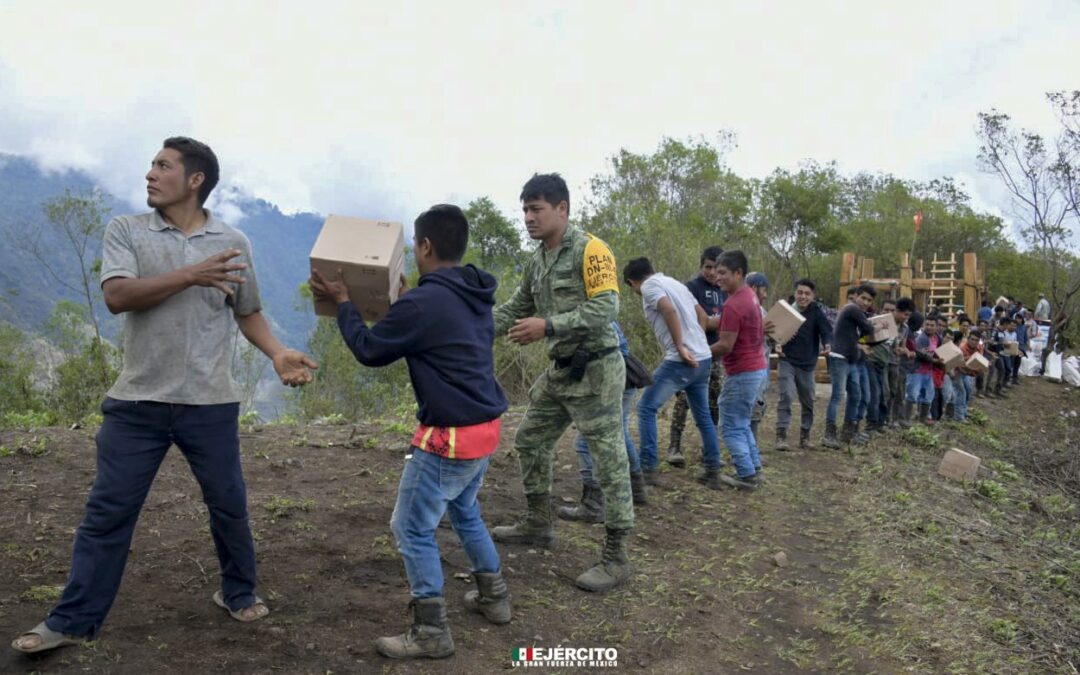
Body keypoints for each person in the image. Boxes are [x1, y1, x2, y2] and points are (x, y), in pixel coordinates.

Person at [12, 137, 319, 654]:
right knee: (108, 511)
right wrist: (192, 274)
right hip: (137, 402)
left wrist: (277, 353)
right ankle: (72, 620)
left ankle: (238, 591)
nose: (150, 174)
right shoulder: (127, 230)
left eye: (163, 166)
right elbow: (117, 296)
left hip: (210, 401)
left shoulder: (233, 241)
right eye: (152, 165)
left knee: (229, 505)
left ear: (195, 180)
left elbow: (246, 311)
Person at [310, 204, 510, 660]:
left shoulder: (424, 303)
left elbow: (369, 349)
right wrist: (404, 303)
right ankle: (494, 597)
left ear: (425, 246)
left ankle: (431, 631)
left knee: (411, 527)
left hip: (449, 438)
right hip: (485, 429)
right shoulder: (472, 293)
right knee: (465, 511)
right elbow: (434, 327)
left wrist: (344, 304)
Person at [491, 173, 633, 593]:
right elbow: (514, 309)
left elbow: (606, 307)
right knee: (530, 439)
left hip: (597, 371)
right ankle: (538, 523)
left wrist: (548, 326)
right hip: (560, 371)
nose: (528, 217)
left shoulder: (591, 250)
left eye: (536, 209)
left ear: (562, 208)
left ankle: (616, 557)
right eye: (524, 210)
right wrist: (465, 326)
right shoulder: (537, 260)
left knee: (609, 460)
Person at [623, 258, 723, 488]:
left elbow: (668, 309)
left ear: (632, 282)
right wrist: (696, 341)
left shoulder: (648, 286)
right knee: (703, 415)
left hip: (682, 360)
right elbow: (702, 316)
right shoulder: (676, 283)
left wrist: (680, 345)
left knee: (646, 407)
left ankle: (647, 468)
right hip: (703, 357)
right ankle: (713, 471)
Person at [559, 321, 647, 523]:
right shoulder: (601, 313)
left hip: (613, 378)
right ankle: (637, 488)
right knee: (621, 432)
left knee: (585, 442)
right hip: (625, 376)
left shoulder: (585, 317)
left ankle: (593, 506)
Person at [705, 250, 768, 490]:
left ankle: (746, 475)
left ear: (739, 273)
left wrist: (700, 353)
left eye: (723, 273)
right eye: (716, 272)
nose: (717, 277)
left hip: (742, 372)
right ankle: (754, 469)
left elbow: (725, 345)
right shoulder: (750, 296)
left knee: (730, 424)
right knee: (741, 422)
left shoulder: (733, 304)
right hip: (756, 369)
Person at [666, 247, 726, 468]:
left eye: (716, 268)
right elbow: (687, 319)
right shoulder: (691, 288)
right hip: (692, 354)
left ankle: (708, 448)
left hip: (715, 354)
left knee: (714, 401)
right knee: (683, 400)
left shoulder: (724, 290)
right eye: (707, 267)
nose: (712, 272)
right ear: (701, 266)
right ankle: (674, 446)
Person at [774, 278, 832, 450]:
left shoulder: (816, 312)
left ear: (813, 296)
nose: (803, 297)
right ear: (795, 293)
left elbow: (826, 331)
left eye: (807, 294)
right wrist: (776, 343)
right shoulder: (786, 311)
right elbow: (773, 332)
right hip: (787, 360)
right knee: (786, 396)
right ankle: (781, 436)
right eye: (800, 293)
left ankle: (805, 437)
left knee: (808, 401)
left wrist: (827, 344)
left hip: (807, 364)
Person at [823, 284, 876, 449]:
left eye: (869, 300)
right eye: (863, 298)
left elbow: (861, 335)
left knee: (856, 396)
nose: (866, 302)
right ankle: (829, 434)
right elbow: (869, 328)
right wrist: (879, 326)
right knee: (838, 396)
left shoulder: (857, 313)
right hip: (839, 358)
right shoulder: (852, 309)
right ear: (856, 296)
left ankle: (848, 432)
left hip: (851, 360)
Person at [746, 272, 772, 446]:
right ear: (754, 288)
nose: (766, 295)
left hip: (763, 365)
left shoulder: (762, 311)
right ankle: (749, 450)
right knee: (750, 409)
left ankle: (751, 448)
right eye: (764, 290)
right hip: (750, 368)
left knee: (758, 407)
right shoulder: (746, 310)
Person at [909, 313, 942, 425]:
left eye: (932, 325)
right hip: (917, 370)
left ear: (936, 326)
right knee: (912, 394)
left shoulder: (937, 338)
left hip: (929, 371)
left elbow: (938, 352)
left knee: (928, 395)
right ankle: (905, 418)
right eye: (927, 324)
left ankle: (922, 418)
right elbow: (919, 353)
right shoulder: (921, 338)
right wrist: (933, 360)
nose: (929, 327)